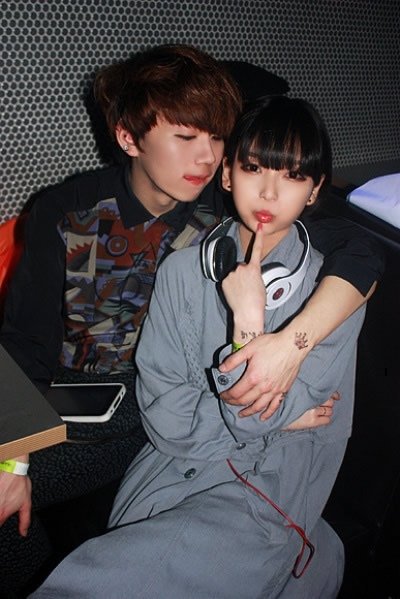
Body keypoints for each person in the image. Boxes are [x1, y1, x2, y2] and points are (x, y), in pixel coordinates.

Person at [0, 44, 382, 596]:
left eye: (217, 138)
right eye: (185, 137)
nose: (205, 158)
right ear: (129, 138)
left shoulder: (229, 206)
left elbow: (358, 252)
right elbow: (21, 346)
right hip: (77, 401)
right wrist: (11, 462)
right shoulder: (67, 212)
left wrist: (291, 346)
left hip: (163, 408)